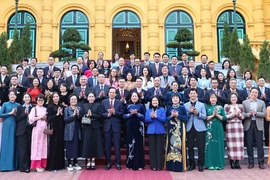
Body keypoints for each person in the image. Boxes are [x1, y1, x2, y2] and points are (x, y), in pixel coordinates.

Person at [184, 88, 207, 172]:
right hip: (189, 127)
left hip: (200, 128)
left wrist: (198, 113)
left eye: (194, 93)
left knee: (201, 147)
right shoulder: (185, 105)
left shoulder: (201, 105)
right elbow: (184, 117)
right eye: (191, 93)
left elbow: (205, 116)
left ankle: (200, 164)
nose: (193, 95)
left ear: (197, 94)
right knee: (190, 147)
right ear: (189, 95)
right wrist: (189, 112)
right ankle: (192, 164)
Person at [242, 88, 266, 169]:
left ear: (258, 94)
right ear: (250, 93)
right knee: (249, 144)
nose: (254, 94)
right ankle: (251, 162)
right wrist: (249, 114)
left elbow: (264, 114)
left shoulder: (261, 102)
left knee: (260, 145)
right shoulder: (245, 102)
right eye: (253, 92)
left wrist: (256, 113)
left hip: (258, 124)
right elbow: (243, 114)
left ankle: (261, 162)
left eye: (256, 92)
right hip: (248, 124)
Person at [101, 87, 124, 170]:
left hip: (116, 126)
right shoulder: (103, 102)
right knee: (107, 146)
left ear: (116, 94)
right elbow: (101, 113)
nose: (112, 94)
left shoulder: (119, 102)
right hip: (107, 126)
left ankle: (118, 163)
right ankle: (108, 163)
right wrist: (107, 114)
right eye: (110, 92)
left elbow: (122, 113)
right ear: (108, 93)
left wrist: (115, 112)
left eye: (114, 92)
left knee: (117, 146)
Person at [123, 92, 145, 170]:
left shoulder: (141, 106)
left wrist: (137, 114)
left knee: (139, 144)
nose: (134, 97)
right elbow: (124, 116)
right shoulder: (127, 105)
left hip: (139, 127)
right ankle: (130, 164)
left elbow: (144, 116)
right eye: (133, 96)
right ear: (130, 97)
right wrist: (130, 114)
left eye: (136, 96)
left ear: (138, 97)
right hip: (130, 126)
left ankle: (140, 165)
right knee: (130, 144)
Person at [165, 93, 188, 172]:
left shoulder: (182, 108)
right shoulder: (169, 108)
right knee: (170, 146)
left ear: (179, 99)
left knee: (179, 146)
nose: (175, 99)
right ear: (171, 99)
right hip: (171, 129)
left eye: (177, 98)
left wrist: (178, 116)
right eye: (173, 98)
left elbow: (186, 118)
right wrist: (171, 116)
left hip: (180, 130)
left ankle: (179, 166)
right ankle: (170, 165)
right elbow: (165, 118)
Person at [82, 92, 104, 170]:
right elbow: (82, 115)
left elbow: (100, 115)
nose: (91, 98)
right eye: (89, 96)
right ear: (87, 98)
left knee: (95, 144)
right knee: (87, 143)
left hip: (96, 126)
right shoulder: (84, 105)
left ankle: (93, 160)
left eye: (92, 96)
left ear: (95, 98)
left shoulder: (98, 105)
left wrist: (92, 115)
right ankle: (88, 160)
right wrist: (86, 115)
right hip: (87, 126)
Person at [204, 93, 226, 170]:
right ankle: (210, 164)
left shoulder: (220, 107)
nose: (213, 99)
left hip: (218, 127)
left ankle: (219, 164)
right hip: (209, 128)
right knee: (210, 145)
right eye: (211, 97)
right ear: (209, 99)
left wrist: (217, 115)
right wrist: (213, 115)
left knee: (218, 145)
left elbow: (224, 118)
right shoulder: (206, 107)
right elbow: (205, 118)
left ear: (216, 99)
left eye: (214, 97)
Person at [0, 90, 20, 171]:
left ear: (16, 96)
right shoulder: (5, 104)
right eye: (11, 95)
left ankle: (14, 165)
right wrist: (10, 113)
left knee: (14, 144)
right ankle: (5, 166)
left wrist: (16, 114)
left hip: (15, 125)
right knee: (6, 143)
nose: (12, 96)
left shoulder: (18, 105)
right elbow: (0, 114)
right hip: (7, 125)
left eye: (13, 95)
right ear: (8, 96)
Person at [145, 96, 166, 171]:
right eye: (153, 100)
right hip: (151, 131)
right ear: (151, 102)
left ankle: (159, 165)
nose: (154, 102)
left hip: (160, 130)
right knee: (152, 149)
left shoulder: (162, 109)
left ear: (158, 102)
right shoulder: (148, 110)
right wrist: (151, 117)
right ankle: (153, 165)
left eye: (156, 100)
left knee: (159, 148)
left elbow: (164, 119)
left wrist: (157, 116)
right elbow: (146, 120)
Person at [224, 93, 245, 169]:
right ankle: (231, 161)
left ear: (237, 98)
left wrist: (238, 115)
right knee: (231, 145)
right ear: (229, 98)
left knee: (239, 145)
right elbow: (225, 117)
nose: (233, 98)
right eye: (232, 97)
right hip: (230, 126)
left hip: (239, 126)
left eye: (235, 97)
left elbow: (243, 117)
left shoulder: (240, 106)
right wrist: (233, 114)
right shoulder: (227, 106)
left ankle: (237, 162)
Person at [28, 94, 47, 172]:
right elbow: (30, 119)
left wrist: (46, 118)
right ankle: (36, 165)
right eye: (39, 100)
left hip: (44, 129)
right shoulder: (34, 109)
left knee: (44, 146)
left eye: (42, 100)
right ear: (36, 100)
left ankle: (42, 164)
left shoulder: (46, 109)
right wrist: (40, 117)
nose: (40, 101)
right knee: (37, 146)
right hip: (37, 129)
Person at [46, 92, 65, 171]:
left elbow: (63, 117)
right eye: (54, 97)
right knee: (54, 146)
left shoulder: (61, 106)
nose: (56, 98)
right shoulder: (50, 106)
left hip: (61, 127)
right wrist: (57, 114)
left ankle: (60, 165)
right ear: (52, 98)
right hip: (54, 127)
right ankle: (53, 166)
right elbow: (49, 118)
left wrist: (62, 114)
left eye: (57, 96)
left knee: (60, 145)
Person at [64, 94, 83, 171]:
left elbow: (81, 119)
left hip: (77, 129)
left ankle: (75, 162)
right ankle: (69, 163)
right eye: (72, 99)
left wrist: (78, 115)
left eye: (75, 99)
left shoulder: (79, 108)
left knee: (76, 146)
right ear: (69, 101)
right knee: (69, 147)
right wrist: (73, 115)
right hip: (69, 130)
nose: (73, 100)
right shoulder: (67, 109)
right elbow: (65, 119)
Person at [16, 93, 33, 173]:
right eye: (25, 97)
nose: (27, 98)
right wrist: (24, 114)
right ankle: (23, 167)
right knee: (22, 150)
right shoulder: (19, 107)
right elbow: (17, 118)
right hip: (21, 131)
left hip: (30, 130)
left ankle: (29, 166)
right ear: (23, 99)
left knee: (29, 148)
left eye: (28, 97)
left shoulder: (33, 107)